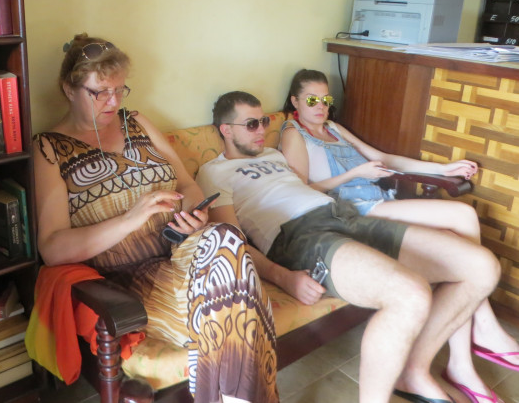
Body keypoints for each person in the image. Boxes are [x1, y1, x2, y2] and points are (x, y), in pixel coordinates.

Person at [196, 90, 502, 403]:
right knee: (411, 294)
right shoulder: (213, 172)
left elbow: (314, 183)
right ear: (226, 130)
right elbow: (232, 242)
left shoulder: (273, 156)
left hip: (344, 214)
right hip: (300, 235)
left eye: (263, 121)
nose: (261, 129)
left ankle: (414, 370)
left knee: (482, 267)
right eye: (251, 124)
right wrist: (282, 276)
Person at [33, 35, 278, 403]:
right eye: (100, 92)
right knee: (238, 308)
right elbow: (52, 248)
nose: (113, 101)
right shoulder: (49, 148)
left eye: (120, 90)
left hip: (179, 254)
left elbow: (186, 184)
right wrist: (131, 218)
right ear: (69, 89)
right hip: (127, 281)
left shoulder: (136, 122)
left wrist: (195, 213)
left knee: (226, 236)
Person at [279, 69, 519, 401]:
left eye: (326, 98)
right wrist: (355, 173)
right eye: (312, 100)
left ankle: (463, 358)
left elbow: (383, 159)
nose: (321, 105)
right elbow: (299, 189)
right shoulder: (294, 134)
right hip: (352, 210)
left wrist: (441, 168)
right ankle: (479, 335)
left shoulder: (334, 127)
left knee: (459, 235)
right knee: (462, 216)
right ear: (295, 101)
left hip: (379, 200)